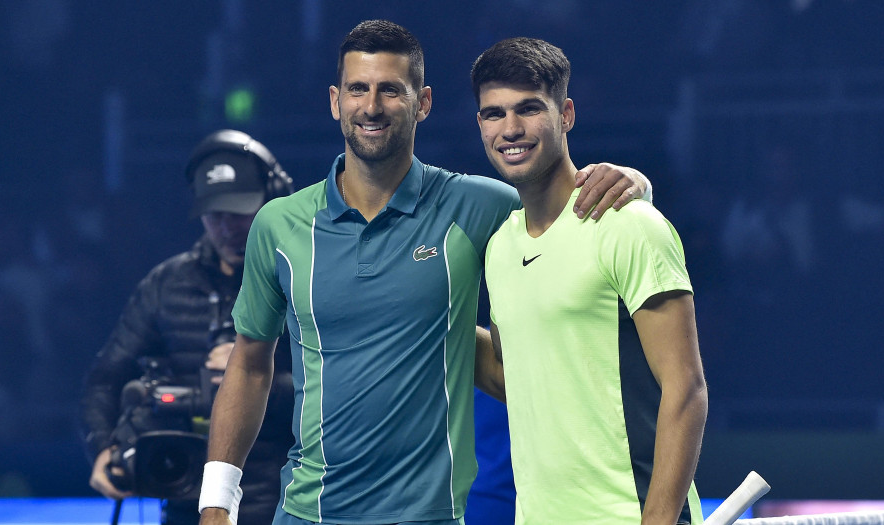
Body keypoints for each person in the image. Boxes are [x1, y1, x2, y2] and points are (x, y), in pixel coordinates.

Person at [198, 20, 651, 525]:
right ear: (335, 101)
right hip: (307, 512)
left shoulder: (479, 205)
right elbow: (249, 363)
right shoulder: (279, 225)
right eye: (357, 89)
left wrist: (636, 182)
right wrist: (217, 500)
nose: (371, 106)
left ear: (423, 103)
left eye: (391, 90)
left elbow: (565, 207)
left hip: (431, 516)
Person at [473, 37, 708, 524]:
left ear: (566, 114)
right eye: (494, 113)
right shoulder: (499, 248)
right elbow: (515, 376)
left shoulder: (629, 224)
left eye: (529, 108)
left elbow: (685, 388)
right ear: (480, 124)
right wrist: (421, 321)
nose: (510, 129)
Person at [81, 130, 296, 525]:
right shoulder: (167, 284)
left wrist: (255, 371)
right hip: (185, 500)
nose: (228, 228)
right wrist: (103, 449)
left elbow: (339, 392)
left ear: (272, 201)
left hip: (287, 504)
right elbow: (106, 378)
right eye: (216, 216)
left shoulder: (303, 277)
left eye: (240, 213)